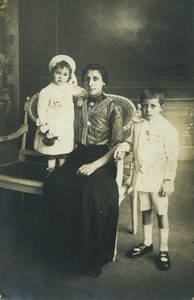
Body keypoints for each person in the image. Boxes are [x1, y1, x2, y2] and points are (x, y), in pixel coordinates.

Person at [42, 63, 131, 277]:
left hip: (103, 159)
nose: (91, 83)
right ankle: (63, 255)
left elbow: (117, 144)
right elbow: (56, 105)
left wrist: (94, 165)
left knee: (89, 194)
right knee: (56, 184)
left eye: (96, 79)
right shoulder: (78, 101)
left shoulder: (113, 107)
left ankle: (87, 259)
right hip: (78, 154)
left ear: (104, 82)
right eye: (87, 78)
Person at [126, 88, 179, 271]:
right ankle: (147, 243)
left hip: (159, 179)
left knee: (160, 212)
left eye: (153, 106)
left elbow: (172, 157)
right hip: (142, 176)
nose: (148, 110)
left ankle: (163, 249)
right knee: (146, 210)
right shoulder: (137, 124)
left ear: (161, 108)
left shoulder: (167, 129)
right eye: (145, 106)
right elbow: (130, 142)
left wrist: (168, 179)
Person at [34, 55, 87, 172]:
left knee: (64, 148)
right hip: (52, 123)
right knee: (52, 149)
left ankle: (62, 171)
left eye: (64, 75)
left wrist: (80, 99)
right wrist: (44, 124)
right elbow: (41, 109)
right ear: (52, 72)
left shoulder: (70, 88)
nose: (60, 77)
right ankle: (51, 169)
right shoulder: (46, 90)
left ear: (69, 76)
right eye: (58, 73)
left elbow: (83, 92)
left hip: (66, 124)